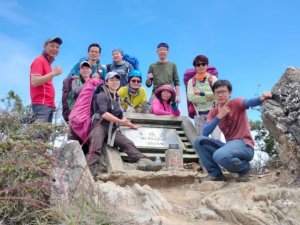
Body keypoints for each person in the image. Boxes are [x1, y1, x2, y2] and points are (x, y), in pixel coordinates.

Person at [193, 80, 272, 182]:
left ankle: (245, 169)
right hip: (229, 146)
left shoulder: (236, 103)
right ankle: (215, 174)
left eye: (224, 92)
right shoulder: (214, 112)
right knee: (199, 141)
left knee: (219, 155)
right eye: (217, 92)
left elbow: (249, 102)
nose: (220, 95)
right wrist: (219, 117)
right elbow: (205, 133)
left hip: (244, 145)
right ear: (214, 94)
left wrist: (261, 98)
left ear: (229, 93)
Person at [86, 71, 162, 176]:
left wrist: (131, 125)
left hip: (111, 128)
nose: (115, 82)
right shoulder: (101, 95)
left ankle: (144, 162)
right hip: (99, 126)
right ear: (106, 82)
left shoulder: (117, 98)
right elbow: (104, 114)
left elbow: (121, 116)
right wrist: (121, 122)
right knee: (95, 147)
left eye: (117, 80)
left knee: (127, 143)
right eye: (112, 80)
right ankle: (88, 174)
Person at [187, 55, 221, 139]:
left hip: (214, 113)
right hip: (199, 114)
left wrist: (201, 94)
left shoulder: (213, 79)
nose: (201, 66)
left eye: (203, 64)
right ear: (195, 67)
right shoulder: (191, 82)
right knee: (201, 140)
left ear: (207, 65)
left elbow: (217, 94)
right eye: (198, 65)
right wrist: (209, 96)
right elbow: (191, 97)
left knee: (216, 139)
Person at [30, 37, 63, 123]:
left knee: (45, 135)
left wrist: (52, 103)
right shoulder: (39, 60)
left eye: (57, 47)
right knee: (40, 135)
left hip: (47, 105)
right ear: (45, 46)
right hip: (41, 105)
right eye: (52, 46)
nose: (55, 49)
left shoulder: (47, 63)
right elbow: (34, 81)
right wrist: (54, 73)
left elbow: (46, 85)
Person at [145, 43, 180, 108]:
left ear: (167, 52)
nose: (162, 51)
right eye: (160, 50)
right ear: (157, 52)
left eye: (164, 50)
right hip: (156, 91)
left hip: (169, 91)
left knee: (172, 112)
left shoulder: (173, 65)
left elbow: (177, 82)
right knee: (150, 109)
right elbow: (148, 85)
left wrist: (178, 96)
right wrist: (148, 79)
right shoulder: (152, 66)